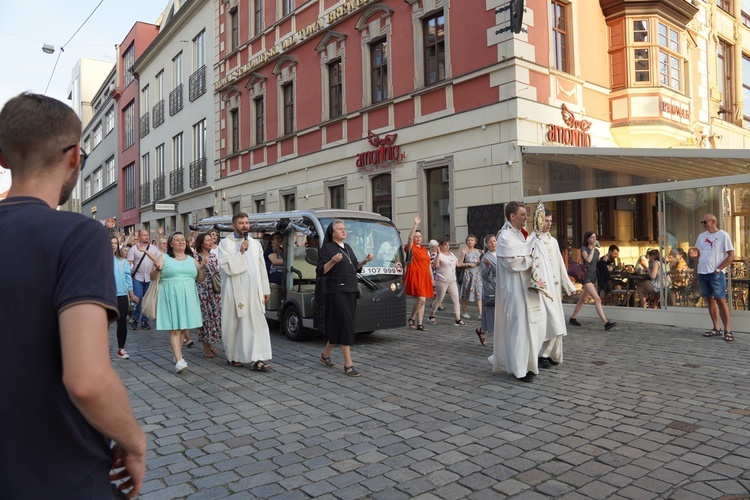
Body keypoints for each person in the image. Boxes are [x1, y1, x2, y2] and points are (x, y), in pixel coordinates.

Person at [0, 92, 146, 498]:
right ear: (75, 157)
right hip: (58, 475)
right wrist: (134, 442)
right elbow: (87, 380)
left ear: (3, 158)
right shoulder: (79, 235)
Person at [490, 201, 544, 382]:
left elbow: (529, 250)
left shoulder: (521, 235)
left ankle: (529, 365)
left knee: (531, 327)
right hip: (514, 290)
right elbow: (513, 262)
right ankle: (518, 369)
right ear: (512, 216)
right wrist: (530, 257)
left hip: (527, 289)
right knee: (519, 327)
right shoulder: (505, 237)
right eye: (522, 214)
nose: (526, 217)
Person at [317, 220, 373, 376]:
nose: (343, 231)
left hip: (350, 290)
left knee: (338, 325)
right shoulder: (327, 249)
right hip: (336, 292)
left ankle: (325, 355)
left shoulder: (347, 247)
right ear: (332, 233)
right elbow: (321, 271)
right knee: (346, 324)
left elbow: (354, 267)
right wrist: (332, 261)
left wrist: (364, 261)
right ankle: (348, 364)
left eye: (344, 228)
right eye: (339, 229)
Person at [219, 213, 273, 370]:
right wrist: (240, 252)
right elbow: (226, 267)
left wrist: (265, 288)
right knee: (235, 326)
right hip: (234, 292)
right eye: (241, 223)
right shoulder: (225, 244)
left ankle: (257, 359)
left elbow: (262, 267)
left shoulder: (255, 244)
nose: (245, 226)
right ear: (234, 225)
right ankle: (235, 356)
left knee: (256, 324)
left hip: (253, 291)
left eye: (247, 223)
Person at [151, 232, 205, 373]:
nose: (181, 242)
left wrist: (202, 268)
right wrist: (157, 269)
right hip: (170, 294)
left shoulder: (191, 259)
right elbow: (153, 277)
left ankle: (178, 356)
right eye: (177, 240)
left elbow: (200, 279)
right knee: (175, 328)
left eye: (183, 240)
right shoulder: (164, 257)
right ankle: (178, 360)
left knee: (182, 328)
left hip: (188, 294)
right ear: (171, 244)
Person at [537, 210, 577, 368]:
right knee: (552, 323)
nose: (548, 224)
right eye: (546, 220)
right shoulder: (535, 240)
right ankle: (542, 354)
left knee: (557, 322)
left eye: (550, 221)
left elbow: (560, 264)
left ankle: (552, 355)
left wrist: (568, 284)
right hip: (542, 289)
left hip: (554, 289)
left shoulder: (553, 241)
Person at [696, 214, 735, 341]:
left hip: (716, 273)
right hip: (703, 271)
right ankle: (716, 327)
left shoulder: (723, 235)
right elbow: (698, 254)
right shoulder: (701, 237)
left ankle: (727, 330)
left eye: (705, 222)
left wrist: (719, 268)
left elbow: (731, 255)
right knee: (709, 299)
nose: (703, 224)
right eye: (702, 222)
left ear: (713, 221)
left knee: (720, 299)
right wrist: (695, 271)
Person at [569, 231, 617, 330]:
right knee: (597, 299)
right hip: (586, 278)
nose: (594, 239)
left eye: (595, 237)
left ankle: (572, 318)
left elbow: (596, 263)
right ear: (587, 239)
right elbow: (588, 260)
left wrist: (604, 259)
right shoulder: (584, 249)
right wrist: (593, 248)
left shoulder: (597, 251)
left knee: (582, 299)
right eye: (591, 237)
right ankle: (605, 323)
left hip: (593, 277)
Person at [403, 215, 435, 331]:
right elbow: (410, 239)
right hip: (415, 275)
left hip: (425, 276)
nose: (418, 238)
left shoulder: (424, 250)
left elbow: (428, 265)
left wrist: (432, 278)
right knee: (421, 299)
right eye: (416, 236)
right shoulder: (411, 248)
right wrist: (415, 225)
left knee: (423, 300)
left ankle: (420, 323)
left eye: (419, 236)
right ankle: (411, 318)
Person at [428, 237, 467, 326]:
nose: (447, 247)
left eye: (448, 245)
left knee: (456, 299)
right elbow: (436, 265)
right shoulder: (439, 255)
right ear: (440, 246)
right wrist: (438, 254)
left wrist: (463, 254)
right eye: (445, 245)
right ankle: (432, 315)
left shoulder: (451, 254)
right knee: (439, 299)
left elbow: (458, 264)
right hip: (442, 280)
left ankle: (458, 318)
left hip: (452, 280)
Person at [194, 232, 222, 358]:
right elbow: (197, 277)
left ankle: (211, 343)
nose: (211, 242)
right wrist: (201, 267)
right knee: (205, 319)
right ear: (201, 243)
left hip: (214, 291)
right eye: (207, 240)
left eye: (211, 240)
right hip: (203, 291)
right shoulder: (196, 257)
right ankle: (206, 347)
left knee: (215, 318)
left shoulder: (214, 256)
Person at [127, 229, 160, 330]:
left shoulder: (154, 249)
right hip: (138, 277)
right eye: (144, 235)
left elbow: (158, 260)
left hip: (149, 278)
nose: (146, 237)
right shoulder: (133, 249)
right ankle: (135, 319)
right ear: (139, 237)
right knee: (137, 299)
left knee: (147, 301)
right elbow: (129, 263)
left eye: (147, 235)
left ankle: (145, 321)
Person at [112, 236, 139, 359]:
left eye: (115, 243)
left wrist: (132, 294)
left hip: (121, 295)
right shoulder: (100, 259)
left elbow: (128, 278)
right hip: (106, 295)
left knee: (121, 322)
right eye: (111, 243)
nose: (113, 245)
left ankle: (121, 348)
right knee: (103, 324)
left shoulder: (122, 261)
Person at [476, 234, 497, 346]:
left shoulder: (502, 254)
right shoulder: (485, 257)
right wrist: (488, 267)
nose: (493, 243)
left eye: (494, 241)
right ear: (486, 245)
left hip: (502, 286)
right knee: (490, 313)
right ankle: (497, 339)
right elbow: (485, 277)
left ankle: (482, 331)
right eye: (490, 242)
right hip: (491, 288)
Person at [458, 234, 483, 319]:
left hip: (476, 274)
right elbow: (459, 264)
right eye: (468, 240)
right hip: (467, 274)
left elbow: (481, 262)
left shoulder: (478, 252)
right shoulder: (464, 251)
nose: (470, 242)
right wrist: (468, 263)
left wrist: (484, 253)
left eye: (472, 240)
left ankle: (480, 313)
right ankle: (464, 312)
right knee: (464, 293)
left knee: (479, 292)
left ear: (475, 242)